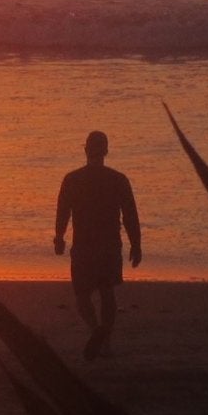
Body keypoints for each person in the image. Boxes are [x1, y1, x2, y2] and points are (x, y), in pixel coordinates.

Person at [54, 130, 141, 359]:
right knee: (107, 292)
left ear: (85, 150)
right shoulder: (118, 180)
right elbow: (130, 214)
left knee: (82, 296)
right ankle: (106, 340)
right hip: (109, 246)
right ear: (106, 151)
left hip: (83, 246)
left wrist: (59, 237)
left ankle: (95, 330)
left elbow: (63, 212)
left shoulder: (72, 179)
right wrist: (136, 244)